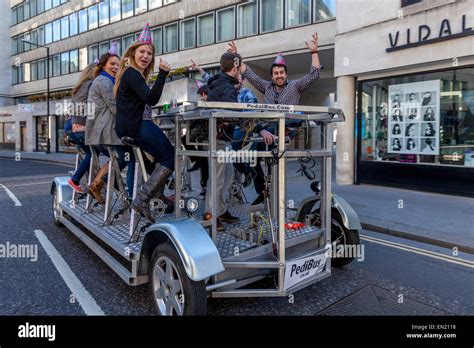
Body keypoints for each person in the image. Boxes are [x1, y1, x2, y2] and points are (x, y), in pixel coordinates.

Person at [114, 23, 174, 223]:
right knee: (170, 157)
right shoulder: (132, 73)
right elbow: (151, 99)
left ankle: (156, 196)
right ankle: (142, 199)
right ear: (132, 53)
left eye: (149, 53)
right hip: (137, 125)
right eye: (142, 51)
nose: (146, 56)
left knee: (156, 159)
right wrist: (163, 74)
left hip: (130, 126)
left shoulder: (132, 74)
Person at [85, 46, 136, 203]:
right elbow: (115, 106)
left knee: (121, 158)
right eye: (112, 64)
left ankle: (98, 183)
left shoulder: (104, 80)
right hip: (106, 130)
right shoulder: (105, 81)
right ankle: (132, 196)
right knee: (132, 158)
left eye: (117, 64)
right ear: (103, 65)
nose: (115, 67)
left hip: (102, 130)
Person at [202, 52, 244, 231]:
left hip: (220, 138)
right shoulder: (226, 87)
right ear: (235, 67)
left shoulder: (221, 83)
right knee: (218, 179)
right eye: (239, 67)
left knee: (227, 176)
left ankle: (220, 210)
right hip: (219, 138)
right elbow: (232, 113)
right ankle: (210, 216)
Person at [67, 63, 96, 193]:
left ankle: (92, 181)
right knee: (92, 153)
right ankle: (76, 179)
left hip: (75, 128)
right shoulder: (91, 84)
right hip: (84, 128)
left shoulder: (79, 87)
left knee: (90, 154)